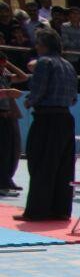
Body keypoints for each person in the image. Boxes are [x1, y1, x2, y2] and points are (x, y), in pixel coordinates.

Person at [17, 29, 76, 221]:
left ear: (44, 46)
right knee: (62, 166)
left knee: (40, 163)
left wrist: (28, 101)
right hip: (66, 118)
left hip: (47, 119)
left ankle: (37, 210)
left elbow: (39, 90)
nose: (36, 47)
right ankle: (59, 209)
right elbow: (73, 98)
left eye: (38, 43)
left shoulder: (44, 62)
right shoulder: (68, 65)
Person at [0, 54, 27, 194]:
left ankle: (6, 180)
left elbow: (23, 77)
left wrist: (8, 64)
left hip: (7, 115)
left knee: (10, 151)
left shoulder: (4, 74)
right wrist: (7, 92)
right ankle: (3, 183)